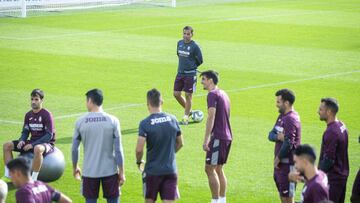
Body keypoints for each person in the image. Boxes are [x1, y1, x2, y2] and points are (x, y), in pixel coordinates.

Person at [72, 89, 125, 203]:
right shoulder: (113, 121)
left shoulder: (80, 121)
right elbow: (118, 149)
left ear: (90, 100)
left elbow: (74, 149)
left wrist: (75, 167)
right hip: (110, 171)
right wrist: (121, 171)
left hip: (89, 172)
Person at [136, 88, 183, 203]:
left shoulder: (145, 123)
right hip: (170, 170)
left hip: (152, 171)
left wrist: (139, 161)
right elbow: (181, 143)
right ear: (162, 102)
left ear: (148, 104)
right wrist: (169, 153)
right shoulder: (173, 119)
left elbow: (139, 149)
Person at [3, 89, 56, 181]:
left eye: (36, 99)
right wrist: (22, 140)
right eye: (32, 99)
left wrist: (32, 145)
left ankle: (33, 179)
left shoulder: (47, 114)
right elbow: (25, 131)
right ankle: (8, 175)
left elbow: (49, 135)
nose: (33, 102)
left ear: (41, 100)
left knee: (38, 148)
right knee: (7, 145)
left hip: (46, 143)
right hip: (32, 141)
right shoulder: (28, 115)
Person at [200, 70, 232, 203]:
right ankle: (222, 200)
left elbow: (211, 116)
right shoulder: (224, 94)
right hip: (227, 135)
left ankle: (215, 201)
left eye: (203, 79)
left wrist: (206, 139)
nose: (202, 82)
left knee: (209, 168)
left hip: (218, 137)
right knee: (218, 169)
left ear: (211, 81)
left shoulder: (212, 95)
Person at [268, 88, 301, 203]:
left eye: (278, 102)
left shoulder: (291, 119)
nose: (276, 105)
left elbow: (289, 143)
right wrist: (278, 137)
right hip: (281, 166)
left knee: (288, 199)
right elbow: (270, 135)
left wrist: (278, 158)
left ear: (286, 103)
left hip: (289, 166)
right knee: (283, 197)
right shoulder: (282, 116)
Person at [318, 98, 349, 203]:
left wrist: (316, 176)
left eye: (321, 109)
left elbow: (328, 160)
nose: (318, 112)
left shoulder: (331, 131)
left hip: (333, 178)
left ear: (329, 112)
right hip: (342, 175)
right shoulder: (342, 125)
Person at [173, 25, 203, 125]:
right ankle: (189, 111)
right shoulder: (179, 43)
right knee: (176, 94)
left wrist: (191, 66)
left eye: (188, 34)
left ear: (192, 35)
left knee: (188, 95)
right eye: (184, 33)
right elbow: (179, 55)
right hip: (180, 72)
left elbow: (200, 60)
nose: (186, 36)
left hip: (190, 74)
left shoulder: (195, 46)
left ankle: (185, 117)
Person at [7, 157, 71, 203]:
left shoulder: (23, 192)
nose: (11, 179)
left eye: (11, 175)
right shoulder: (43, 185)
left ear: (18, 173)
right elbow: (67, 201)